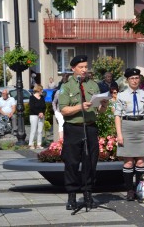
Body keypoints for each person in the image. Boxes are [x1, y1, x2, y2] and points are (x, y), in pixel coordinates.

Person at [58, 55, 109, 210]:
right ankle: (72, 196)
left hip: (90, 127)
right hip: (73, 128)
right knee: (72, 163)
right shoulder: (66, 86)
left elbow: (99, 111)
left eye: (86, 67)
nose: (84, 70)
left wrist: (104, 105)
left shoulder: (94, 85)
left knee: (90, 162)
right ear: (73, 68)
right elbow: (64, 110)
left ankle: (88, 194)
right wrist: (80, 107)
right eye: (81, 67)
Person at [114, 68, 144, 201]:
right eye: (132, 78)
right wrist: (119, 134)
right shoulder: (121, 95)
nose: (134, 80)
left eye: (137, 78)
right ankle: (129, 190)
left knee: (141, 161)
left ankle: (139, 189)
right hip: (127, 127)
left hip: (142, 127)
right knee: (129, 162)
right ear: (127, 80)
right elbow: (117, 115)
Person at [28, 84, 46, 150]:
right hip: (34, 115)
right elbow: (32, 107)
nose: (42, 91)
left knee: (40, 131)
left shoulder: (42, 97)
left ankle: (39, 144)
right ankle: (31, 144)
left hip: (41, 116)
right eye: (41, 89)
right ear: (38, 90)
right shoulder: (32, 97)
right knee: (33, 130)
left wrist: (42, 113)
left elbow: (44, 106)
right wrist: (38, 113)